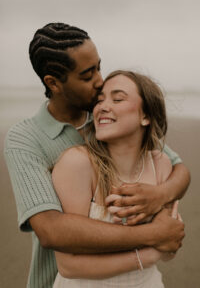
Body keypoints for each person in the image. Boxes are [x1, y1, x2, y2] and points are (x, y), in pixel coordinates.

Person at [4, 23, 188, 288]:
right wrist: (152, 236)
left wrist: (159, 195)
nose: (100, 80)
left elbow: (177, 168)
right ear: (53, 83)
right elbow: (52, 230)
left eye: (99, 67)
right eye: (88, 75)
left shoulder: (105, 118)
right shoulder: (26, 138)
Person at [51, 70, 184, 287]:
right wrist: (146, 256)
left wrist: (166, 240)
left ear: (145, 116)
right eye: (100, 100)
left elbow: (169, 246)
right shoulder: (77, 163)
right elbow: (68, 265)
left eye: (118, 98)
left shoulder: (160, 164)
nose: (102, 106)